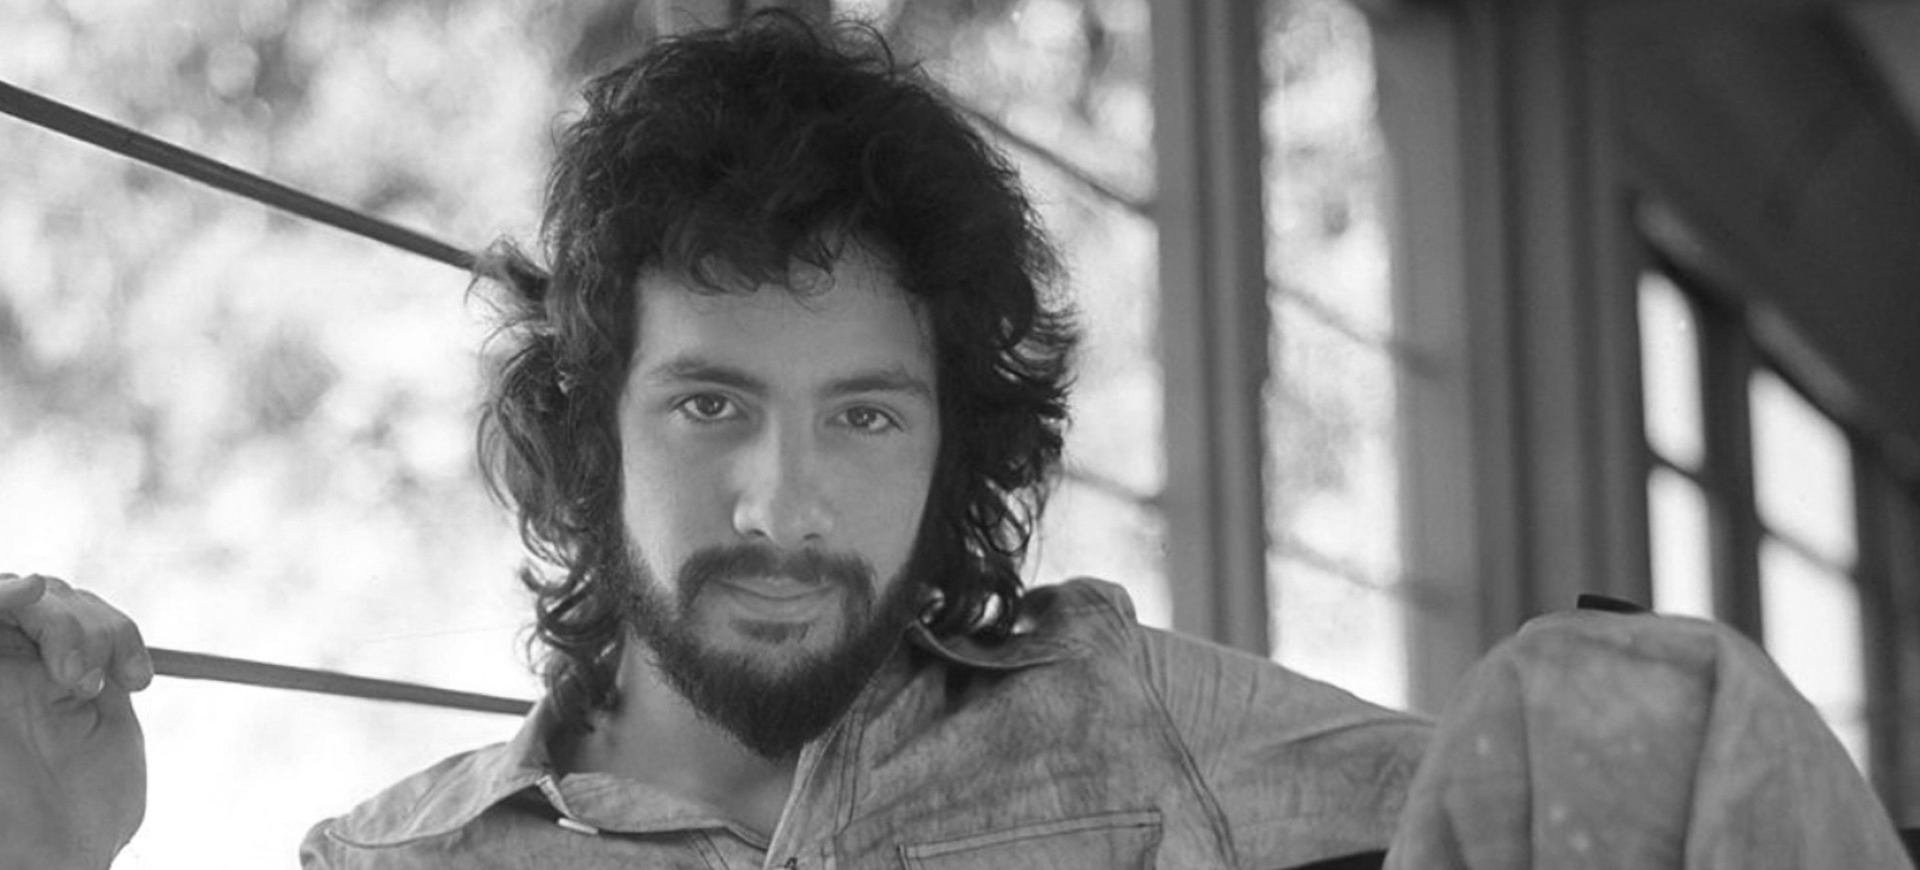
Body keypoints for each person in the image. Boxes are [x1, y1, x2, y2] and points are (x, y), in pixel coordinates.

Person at [8, 12, 1915, 870]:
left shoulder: (1118, 706)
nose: (784, 501)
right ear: (584, 435)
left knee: (1635, 691)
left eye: (864, 413)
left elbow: (1586, 784)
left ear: (948, 452)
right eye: (709, 403)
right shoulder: (393, 861)